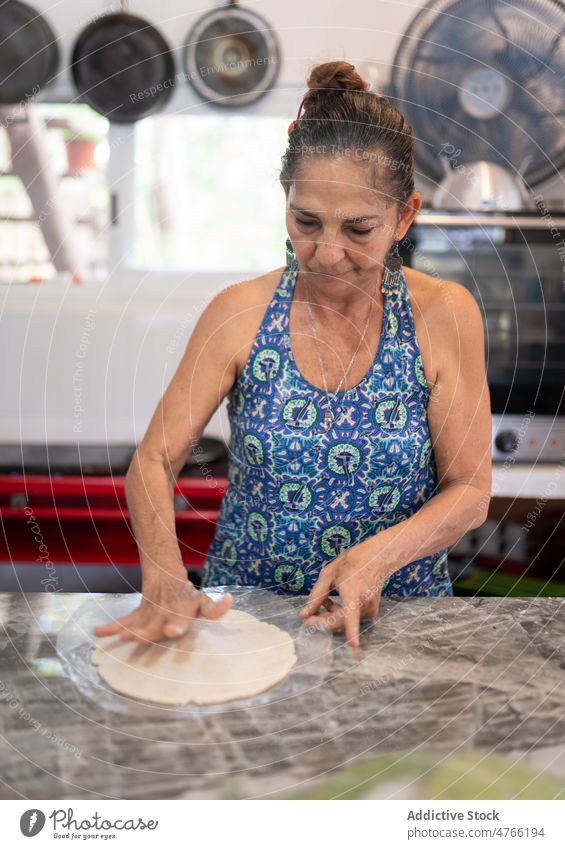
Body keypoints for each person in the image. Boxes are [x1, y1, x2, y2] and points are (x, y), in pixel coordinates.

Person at [94, 60, 491, 649]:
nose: (327, 254)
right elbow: (152, 462)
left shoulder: (443, 314)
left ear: (405, 214)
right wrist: (164, 575)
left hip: (397, 622)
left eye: (359, 229)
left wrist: (377, 557)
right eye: (306, 222)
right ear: (285, 199)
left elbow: (470, 490)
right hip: (247, 620)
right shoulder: (238, 314)